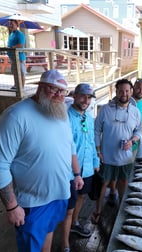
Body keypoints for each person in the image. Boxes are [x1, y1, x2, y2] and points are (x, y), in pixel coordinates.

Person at [0, 69, 84, 252]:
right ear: (39, 87)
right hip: (33, 204)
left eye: (62, 91)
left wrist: (76, 174)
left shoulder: (60, 112)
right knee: (31, 247)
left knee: (48, 233)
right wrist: (11, 206)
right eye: (52, 89)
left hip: (59, 195)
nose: (58, 95)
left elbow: (69, 146)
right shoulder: (16, 116)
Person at [91, 78, 142, 224]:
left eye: (127, 91)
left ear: (131, 92)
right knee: (103, 183)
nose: (124, 94)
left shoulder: (135, 111)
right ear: (116, 92)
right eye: (121, 91)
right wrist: (98, 150)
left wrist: (132, 140)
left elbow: (139, 130)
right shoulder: (105, 110)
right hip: (106, 156)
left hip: (125, 157)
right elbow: (96, 130)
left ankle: (121, 209)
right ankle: (97, 210)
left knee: (123, 182)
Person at [62, 83, 100, 252]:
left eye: (89, 97)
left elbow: (91, 142)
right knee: (68, 208)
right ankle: (65, 244)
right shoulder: (65, 117)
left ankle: (75, 223)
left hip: (87, 168)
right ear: (75, 95)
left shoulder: (89, 117)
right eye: (83, 96)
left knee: (82, 197)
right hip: (70, 171)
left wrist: (95, 162)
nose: (86, 100)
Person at [7, 19, 26, 88]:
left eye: (12, 24)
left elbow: (21, 45)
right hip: (12, 57)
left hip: (19, 57)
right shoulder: (11, 34)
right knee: (15, 72)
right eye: (10, 24)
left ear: (16, 25)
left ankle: (22, 87)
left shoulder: (20, 34)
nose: (10, 25)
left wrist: (12, 47)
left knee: (21, 73)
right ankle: (16, 85)